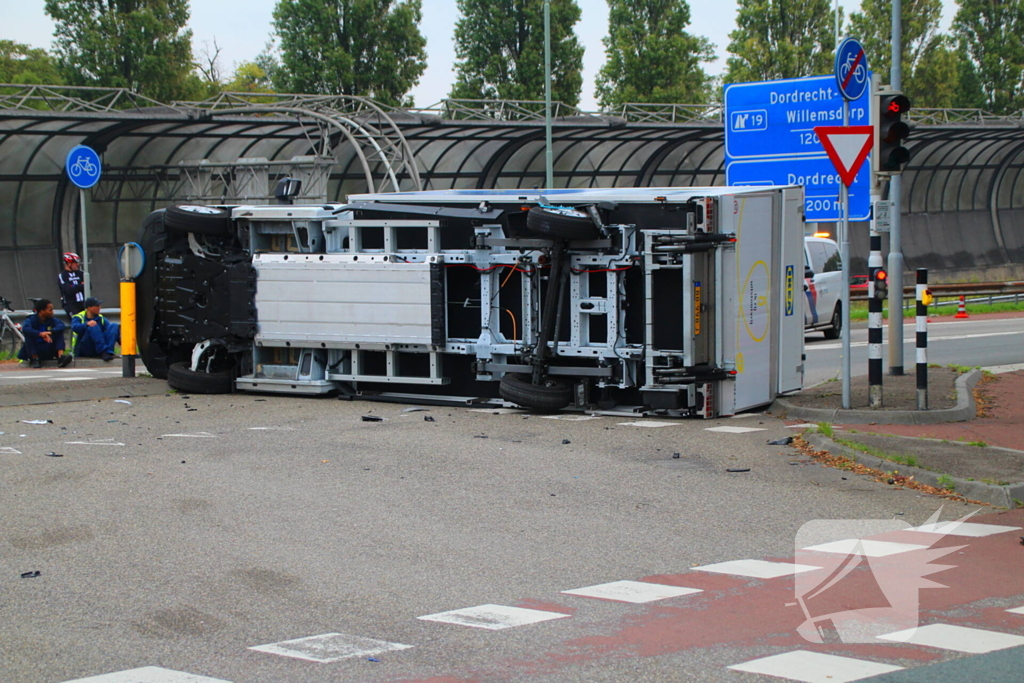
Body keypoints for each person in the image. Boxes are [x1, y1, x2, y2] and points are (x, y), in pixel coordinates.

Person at [18, 299, 73, 368]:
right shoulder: (31, 320)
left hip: (49, 348)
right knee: (29, 335)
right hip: (35, 349)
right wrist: (40, 334)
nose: (52, 312)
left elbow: (61, 326)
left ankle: (60, 357)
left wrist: (50, 332)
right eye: (50, 310)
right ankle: (35, 359)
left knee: (59, 333)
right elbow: (26, 328)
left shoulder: (52, 320)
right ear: (42, 311)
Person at [58, 252, 85, 319]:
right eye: (75, 262)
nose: (78, 264)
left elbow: (88, 286)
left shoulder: (82, 273)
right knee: (78, 322)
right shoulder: (63, 275)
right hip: (71, 304)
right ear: (69, 263)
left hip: (84, 302)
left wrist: (73, 286)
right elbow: (68, 290)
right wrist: (80, 286)